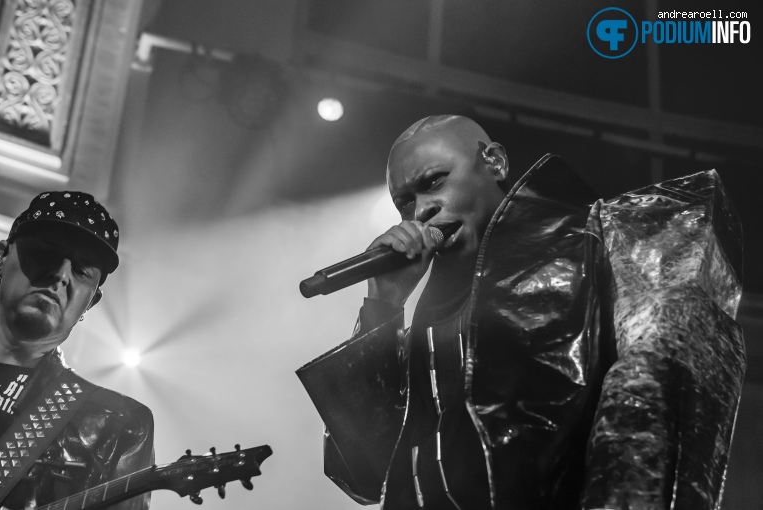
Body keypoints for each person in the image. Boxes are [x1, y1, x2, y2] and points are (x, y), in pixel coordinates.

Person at [297, 115, 745, 510]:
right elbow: (362, 476)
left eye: (434, 181)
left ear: (494, 162)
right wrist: (384, 304)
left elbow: (657, 400)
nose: (421, 210)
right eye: (404, 203)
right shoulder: (423, 320)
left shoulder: (601, 238)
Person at [0, 191, 154, 510]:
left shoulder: (119, 424)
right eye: (47, 253)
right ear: (2, 256)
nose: (61, 275)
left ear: (91, 301)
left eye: (82, 270)